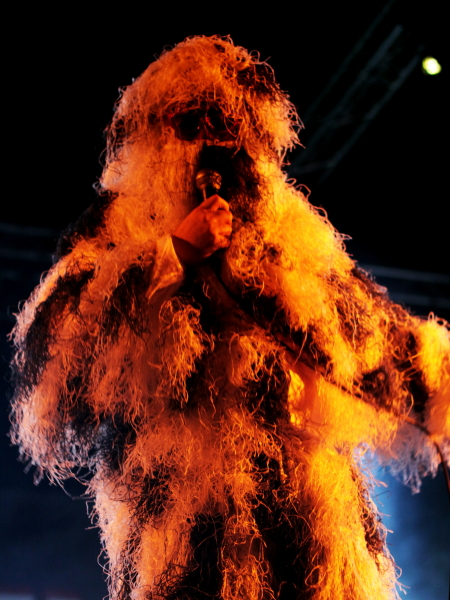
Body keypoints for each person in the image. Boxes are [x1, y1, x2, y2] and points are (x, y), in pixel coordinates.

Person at [10, 35, 449, 600]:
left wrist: (437, 378)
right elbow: (56, 368)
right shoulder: (118, 230)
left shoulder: (292, 238)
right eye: (192, 124)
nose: (215, 146)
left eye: (232, 129)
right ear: (154, 130)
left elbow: (370, 339)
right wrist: (172, 255)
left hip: (310, 534)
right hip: (186, 537)